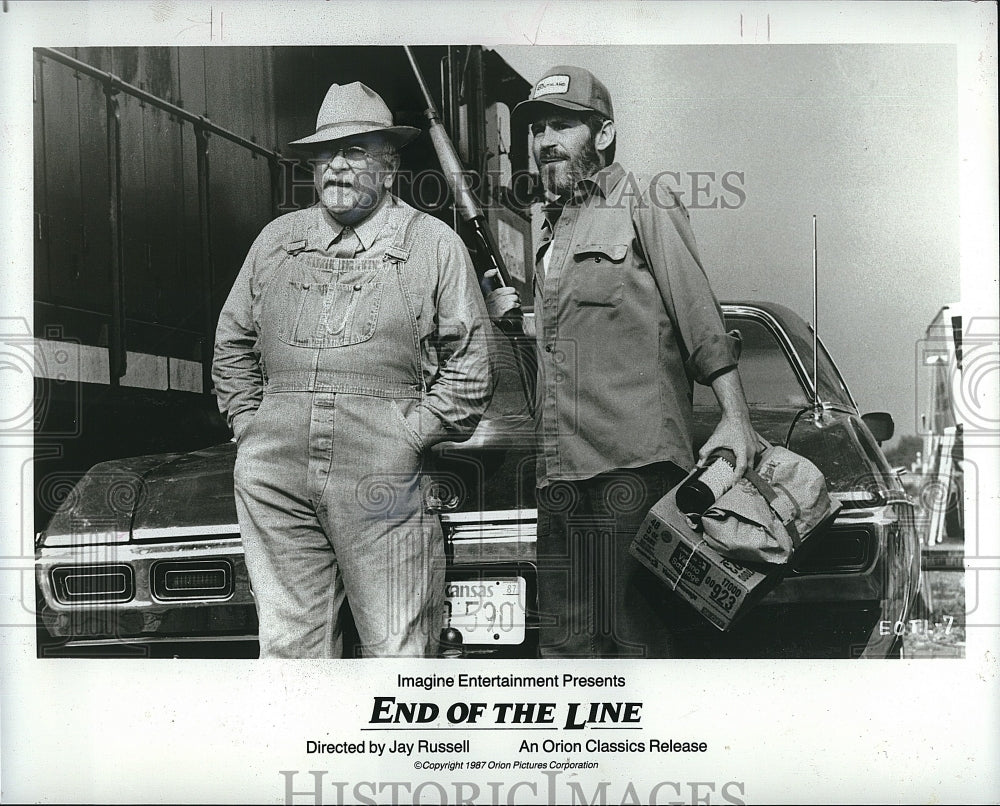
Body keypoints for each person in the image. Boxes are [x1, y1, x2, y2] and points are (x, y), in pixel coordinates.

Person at [213, 82, 493, 658]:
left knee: (397, 652)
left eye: (356, 150)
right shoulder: (276, 242)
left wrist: (409, 436)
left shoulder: (433, 245)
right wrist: (251, 424)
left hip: (381, 477)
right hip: (275, 476)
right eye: (326, 153)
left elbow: (470, 366)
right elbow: (231, 342)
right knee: (291, 651)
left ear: (389, 167)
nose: (336, 165)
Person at [488, 65, 758, 658]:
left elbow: (699, 315)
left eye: (563, 125)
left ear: (603, 135)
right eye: (535, 131)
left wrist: (735, 420)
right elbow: (567, 348)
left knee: (636, 650)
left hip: (633, 473)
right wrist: (516, 318)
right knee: (563, 652)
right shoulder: (552, 234)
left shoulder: (646, 200)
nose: (544, 142)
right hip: (561, 479)